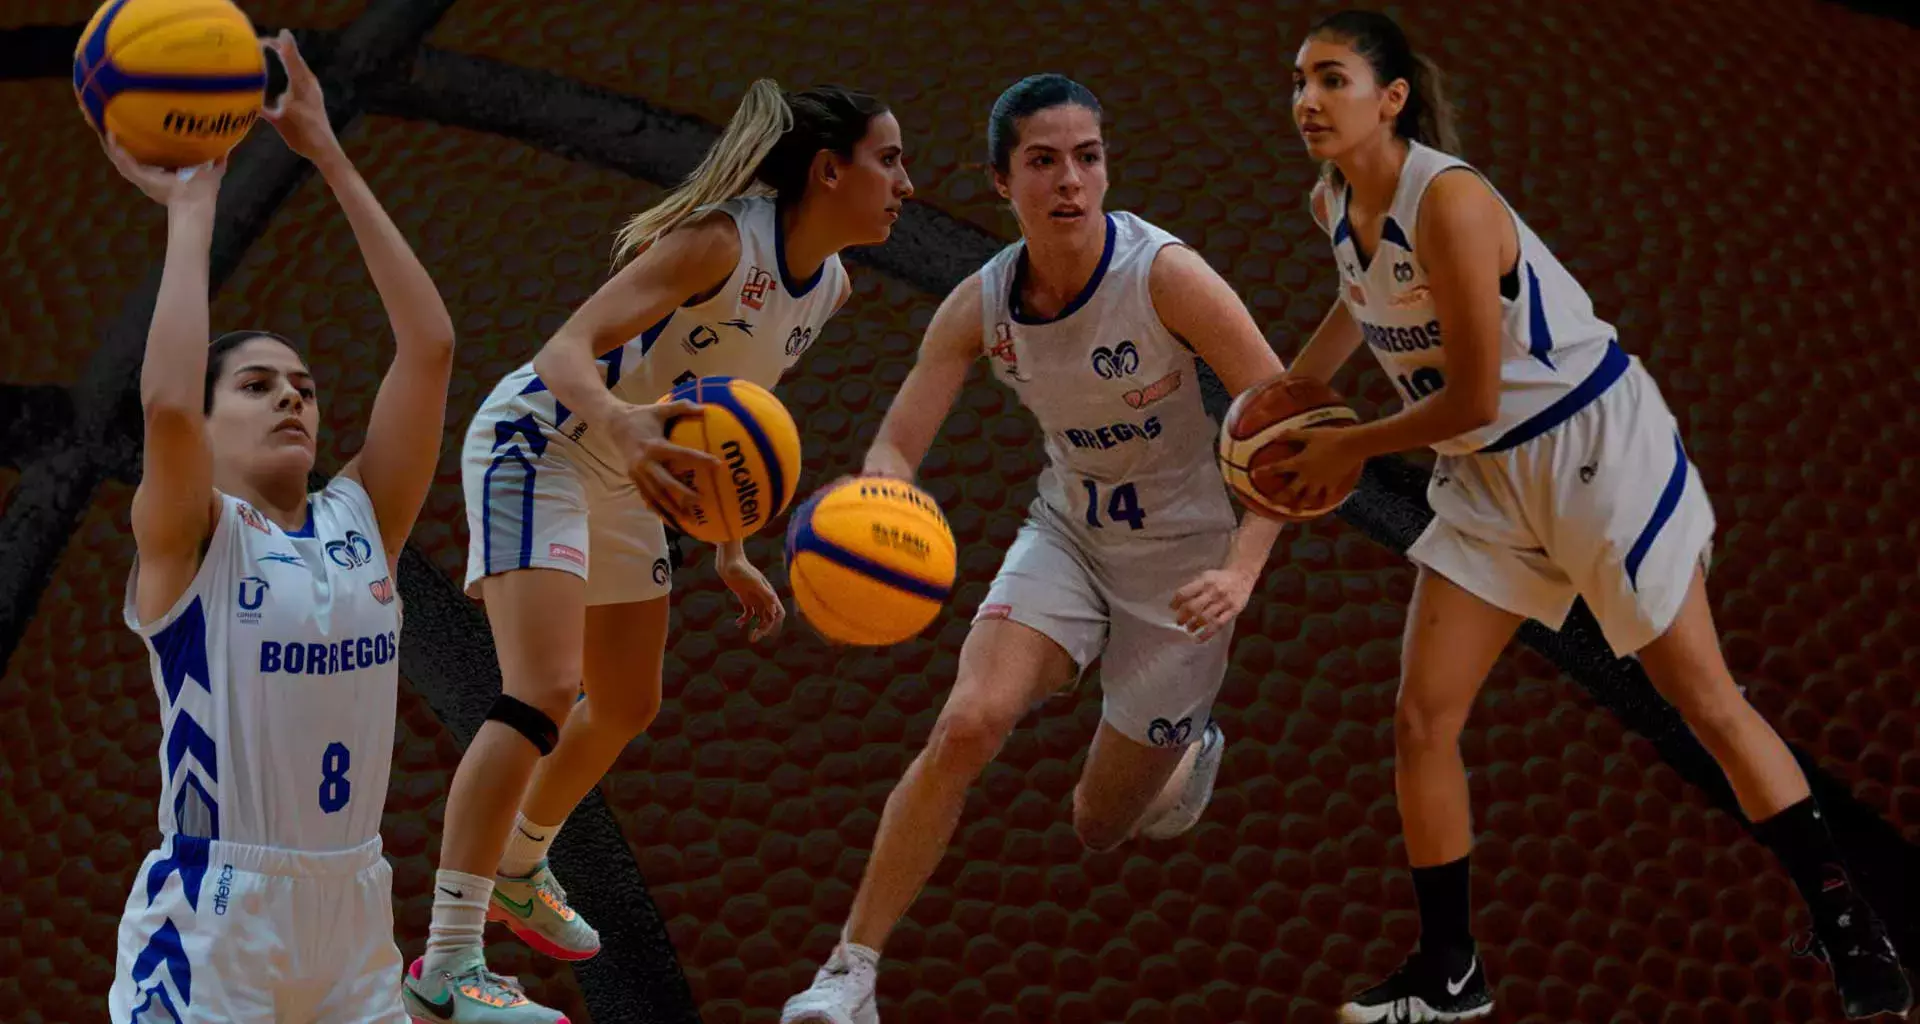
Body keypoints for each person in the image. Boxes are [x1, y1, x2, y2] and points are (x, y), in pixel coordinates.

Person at [1273, 10, 1913, 1022]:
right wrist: (1289, 392)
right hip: (1486, 479)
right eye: (1300, 80)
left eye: (1332, 79)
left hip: (1589, 451)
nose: (1307, 99)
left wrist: (1345, 441)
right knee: (1422, 717)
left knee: (1704, 700)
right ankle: (1450, 972)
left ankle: (1847, 918)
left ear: (1390, 98)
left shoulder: (1452, 200)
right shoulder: (1333, 199)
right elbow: (1366, 301)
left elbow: (1478, 396)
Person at [402, 80, 915, 1023]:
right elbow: (564, 348)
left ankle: (520, 863)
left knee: (629, 701)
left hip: (632, 471)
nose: (906, 184)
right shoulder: (722, 240)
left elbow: (726, 416)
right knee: (542, 691)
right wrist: (624, 429)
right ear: (829, 170)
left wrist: (729, 548)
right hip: (546, 439)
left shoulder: (828, 287)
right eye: (890, 160)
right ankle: (446, 960)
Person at [782, 73, 1289, 1024]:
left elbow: (1291, 431)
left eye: (1087, 158)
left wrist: (1243, 567)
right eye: (1044, 162)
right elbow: (896, 441)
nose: (1071, 181)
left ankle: (1191, 747)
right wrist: (882, 491)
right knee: (968, 723)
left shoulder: (1164, 275)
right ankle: (847, 975)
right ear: (1000, 182)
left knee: (1101, 827)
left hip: (1183, 568)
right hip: (1067, 532)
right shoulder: (982, 304)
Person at [104, 32, 456, 1024]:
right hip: (214, 913)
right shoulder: (191, 537)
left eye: (303, 387)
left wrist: (328, 156)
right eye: (256, 386)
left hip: (352, 907)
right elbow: (166, 403)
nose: (292, 399)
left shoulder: (362, 518)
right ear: (209, 429)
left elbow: (427, 348)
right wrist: (192, 209)